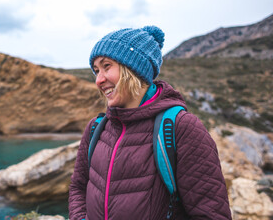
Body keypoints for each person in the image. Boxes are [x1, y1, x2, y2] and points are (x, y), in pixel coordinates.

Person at [68, 25, 231, 220]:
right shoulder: (96, 128)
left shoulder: (181, 127)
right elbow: (78, 187)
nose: (99, 80)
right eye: (96, 71)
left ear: (133, 68)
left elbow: (210, 213)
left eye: (106, 66)